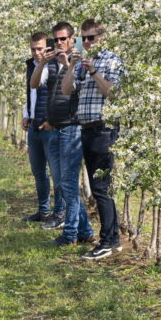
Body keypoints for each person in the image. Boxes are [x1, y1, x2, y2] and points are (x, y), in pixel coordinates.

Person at [61, 19, 124, 260]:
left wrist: (94, 71)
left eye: (91, 38)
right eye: (83, 38)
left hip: (104, 129)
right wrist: (71, 66)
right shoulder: (80, 62)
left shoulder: (111, 60)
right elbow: (67, 90)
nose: (86, 42)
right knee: (99, 186)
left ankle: (108, 240)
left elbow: (113, 93)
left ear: (101, 37)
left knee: (101, 187)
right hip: (86, 129)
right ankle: (112, 237)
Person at [31, 21, 94, 246]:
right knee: (63, 183)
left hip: (72, 128)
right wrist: (41, 63)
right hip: (55, 129)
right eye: (55, 39)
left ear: (72, 38)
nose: (58, 43)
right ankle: (85, 231)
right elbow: (34, 84)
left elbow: (74, 89)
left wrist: (68, 64)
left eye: (62, 39)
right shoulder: (50, 64)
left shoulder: (78, 62)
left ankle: (70, 235)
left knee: (67, 183)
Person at [22, 31, 63, 222]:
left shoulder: (56, 64)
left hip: (49, 127)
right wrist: (26, 114)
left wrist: (50, 119)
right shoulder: (31, 65)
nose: (36, 53)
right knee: (39, 172)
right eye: (33, 49)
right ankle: (44, 210)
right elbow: (30, 92)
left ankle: (59, 212)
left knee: (56, 173)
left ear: (48, 47)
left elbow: (57, 95)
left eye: (39, 49)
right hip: (33, 125)